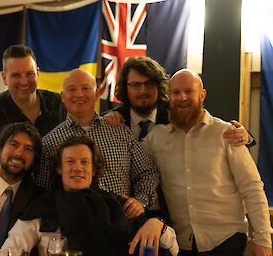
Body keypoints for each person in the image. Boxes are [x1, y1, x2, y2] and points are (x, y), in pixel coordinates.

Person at [143, 69, 272, 256]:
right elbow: (134, 167)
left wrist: (263, 239)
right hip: (179, 246)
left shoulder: (227, 134)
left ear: (202, 95)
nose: (182, 97)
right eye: (176, 92)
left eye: (189, 91)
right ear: (168, 96)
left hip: (228, 242)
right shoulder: (156, 139)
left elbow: (252, 188)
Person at [0, 136, 179, 256]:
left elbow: (173, 249)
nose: (78, 168)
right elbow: (7, 251)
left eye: (85, 162)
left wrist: (157, 225)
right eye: (70, 161)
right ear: (59, 168)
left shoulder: (116, 204)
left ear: (94, 170)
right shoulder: (41, 208)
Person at [34, 68, 159, 219]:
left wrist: (141, 201)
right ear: (62, 96)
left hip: (122, 225)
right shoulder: (49, 142)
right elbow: (43, 190)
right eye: (71, 89)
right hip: (72, 227)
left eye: (86, 88)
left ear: (97, 93)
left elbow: (147, 172)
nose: (79, 94)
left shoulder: (120, 132)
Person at [103, 56, 253, 145]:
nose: (143, 91)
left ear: (160, 87)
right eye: (135, 85)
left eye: (149, 84)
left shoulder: (177, 112)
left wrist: (245, 136)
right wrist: (105, 121)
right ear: (125, 87)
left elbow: (208, 126)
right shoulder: (113, 120)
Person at [0, 44, 66, 173]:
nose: (24, 81)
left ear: (38, 73)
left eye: (30, 74)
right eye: (16, 75)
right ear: (4, 78)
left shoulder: (59, 104)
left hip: (54, 190)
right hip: (8, 191)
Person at [0, 122, 43, 256]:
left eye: (28, 149)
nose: (19, 153)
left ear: (33, 160)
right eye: (13, 144)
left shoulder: (37, 199)